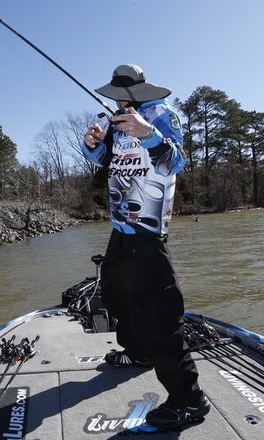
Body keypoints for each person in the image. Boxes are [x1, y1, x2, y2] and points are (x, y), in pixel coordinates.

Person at [80, 63, 210, 429]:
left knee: (160, 313)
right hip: (121, 227)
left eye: (122, 94)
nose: (118, 100)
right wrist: (91, 144)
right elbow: (106, 161)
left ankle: (189, 400)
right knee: (116, 292)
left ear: (136, 91)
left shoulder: (163, 116)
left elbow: (177, 162)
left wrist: (148, 134)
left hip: (149, 230)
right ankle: (138, 352)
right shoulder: (112, 121)